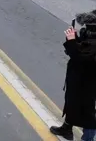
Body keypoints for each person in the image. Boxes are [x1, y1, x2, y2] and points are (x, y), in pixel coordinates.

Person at [49, 10, 96, 141]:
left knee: (88, 111)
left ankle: (88, 138)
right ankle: (67, 128)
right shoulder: (90, 35)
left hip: (88, 82)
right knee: (71, 101)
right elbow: (82, 48)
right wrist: (74, 38)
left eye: (88, 25)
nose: (85, 27)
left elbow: (81, 56)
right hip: (79, 77)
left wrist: (71, 41)